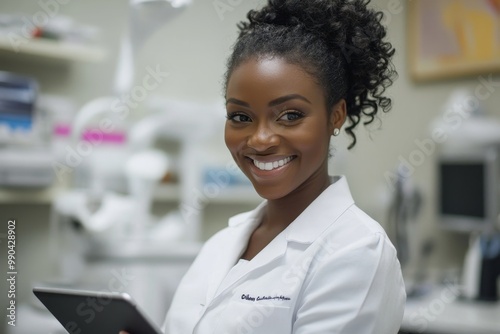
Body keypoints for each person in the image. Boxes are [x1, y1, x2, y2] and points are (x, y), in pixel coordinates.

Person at [124, 0, 405, 333]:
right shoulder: (219, 246)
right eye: (241, 117)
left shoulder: (357, 251)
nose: (259, 139)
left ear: (336, 116)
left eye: (290, 116)